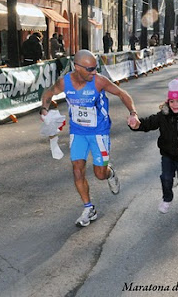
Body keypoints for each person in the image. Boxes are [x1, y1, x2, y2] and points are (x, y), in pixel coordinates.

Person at [40, 49, 139, 227]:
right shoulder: (64, 82)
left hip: (99, 131)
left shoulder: (99, 81)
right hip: (78, 132)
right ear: (76, 67)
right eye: (89, 69)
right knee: (77, 169)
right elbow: (48, 94)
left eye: (95, 68)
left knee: (99, 174)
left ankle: (110, 172)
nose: (94, 72)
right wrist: (44, 110)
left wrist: (133, 113)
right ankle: (88, 208)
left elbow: (123, 94)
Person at [129, 78, 178, 214]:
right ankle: (167, 198)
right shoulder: (164, 115)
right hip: (168, 155)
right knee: (166, 178)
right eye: (172, 101)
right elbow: (149, 122)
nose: (174, 105)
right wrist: (137, 124)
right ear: (168, 101)